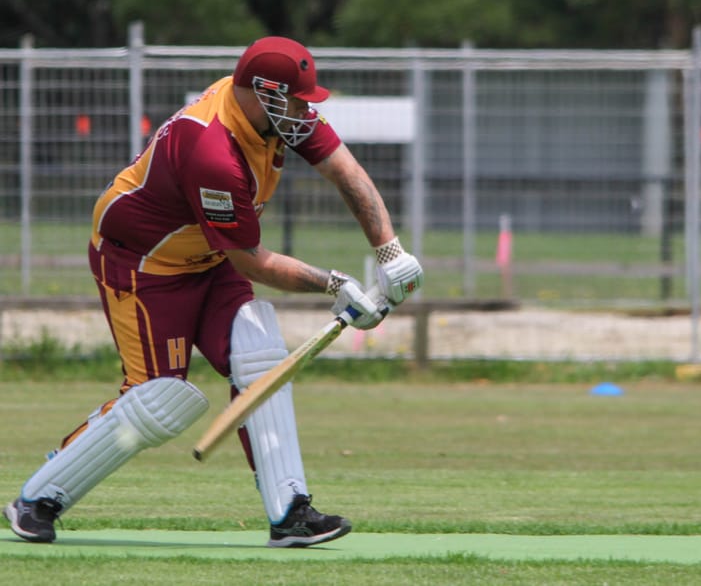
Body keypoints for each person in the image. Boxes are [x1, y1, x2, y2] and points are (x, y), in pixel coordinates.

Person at [4, 36, 423, 548]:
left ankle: (290, 512)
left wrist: (389, 252)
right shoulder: (213, 152)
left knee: (258, 350)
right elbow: (251, 260)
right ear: (265, 93)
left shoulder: (274, 112)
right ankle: (39, 499)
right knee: (157, 400)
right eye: (295, 100)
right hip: (143, 263)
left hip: (209, 254)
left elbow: (345, 171)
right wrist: (334, 286)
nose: (304, 112)